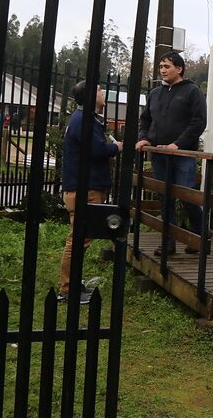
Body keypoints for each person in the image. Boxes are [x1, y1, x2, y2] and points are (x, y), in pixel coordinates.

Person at [58, 81, 123, 304]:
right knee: (79, 239)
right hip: (84, 189)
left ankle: (72, 284)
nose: (103, 92)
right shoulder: (84, 121)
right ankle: (68, 289)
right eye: (99, 89)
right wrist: (116, 147)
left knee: (80, 238)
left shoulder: (85, 120)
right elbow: (96, 151)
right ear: (90, 96)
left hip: (82, 186)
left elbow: (90, 151)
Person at [136, 52, 206, 256]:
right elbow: (145, 119)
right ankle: (168, 242)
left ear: (179, 68)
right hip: (159, 154)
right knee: (164, 196)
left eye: (167, 66)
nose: (163, 70)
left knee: (186, 195)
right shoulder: (155, 93)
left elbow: (199, 121)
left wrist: (178, 144)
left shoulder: (192, 91)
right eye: (161, 66)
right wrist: (144, 137)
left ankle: (200, 235)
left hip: (183, 154)